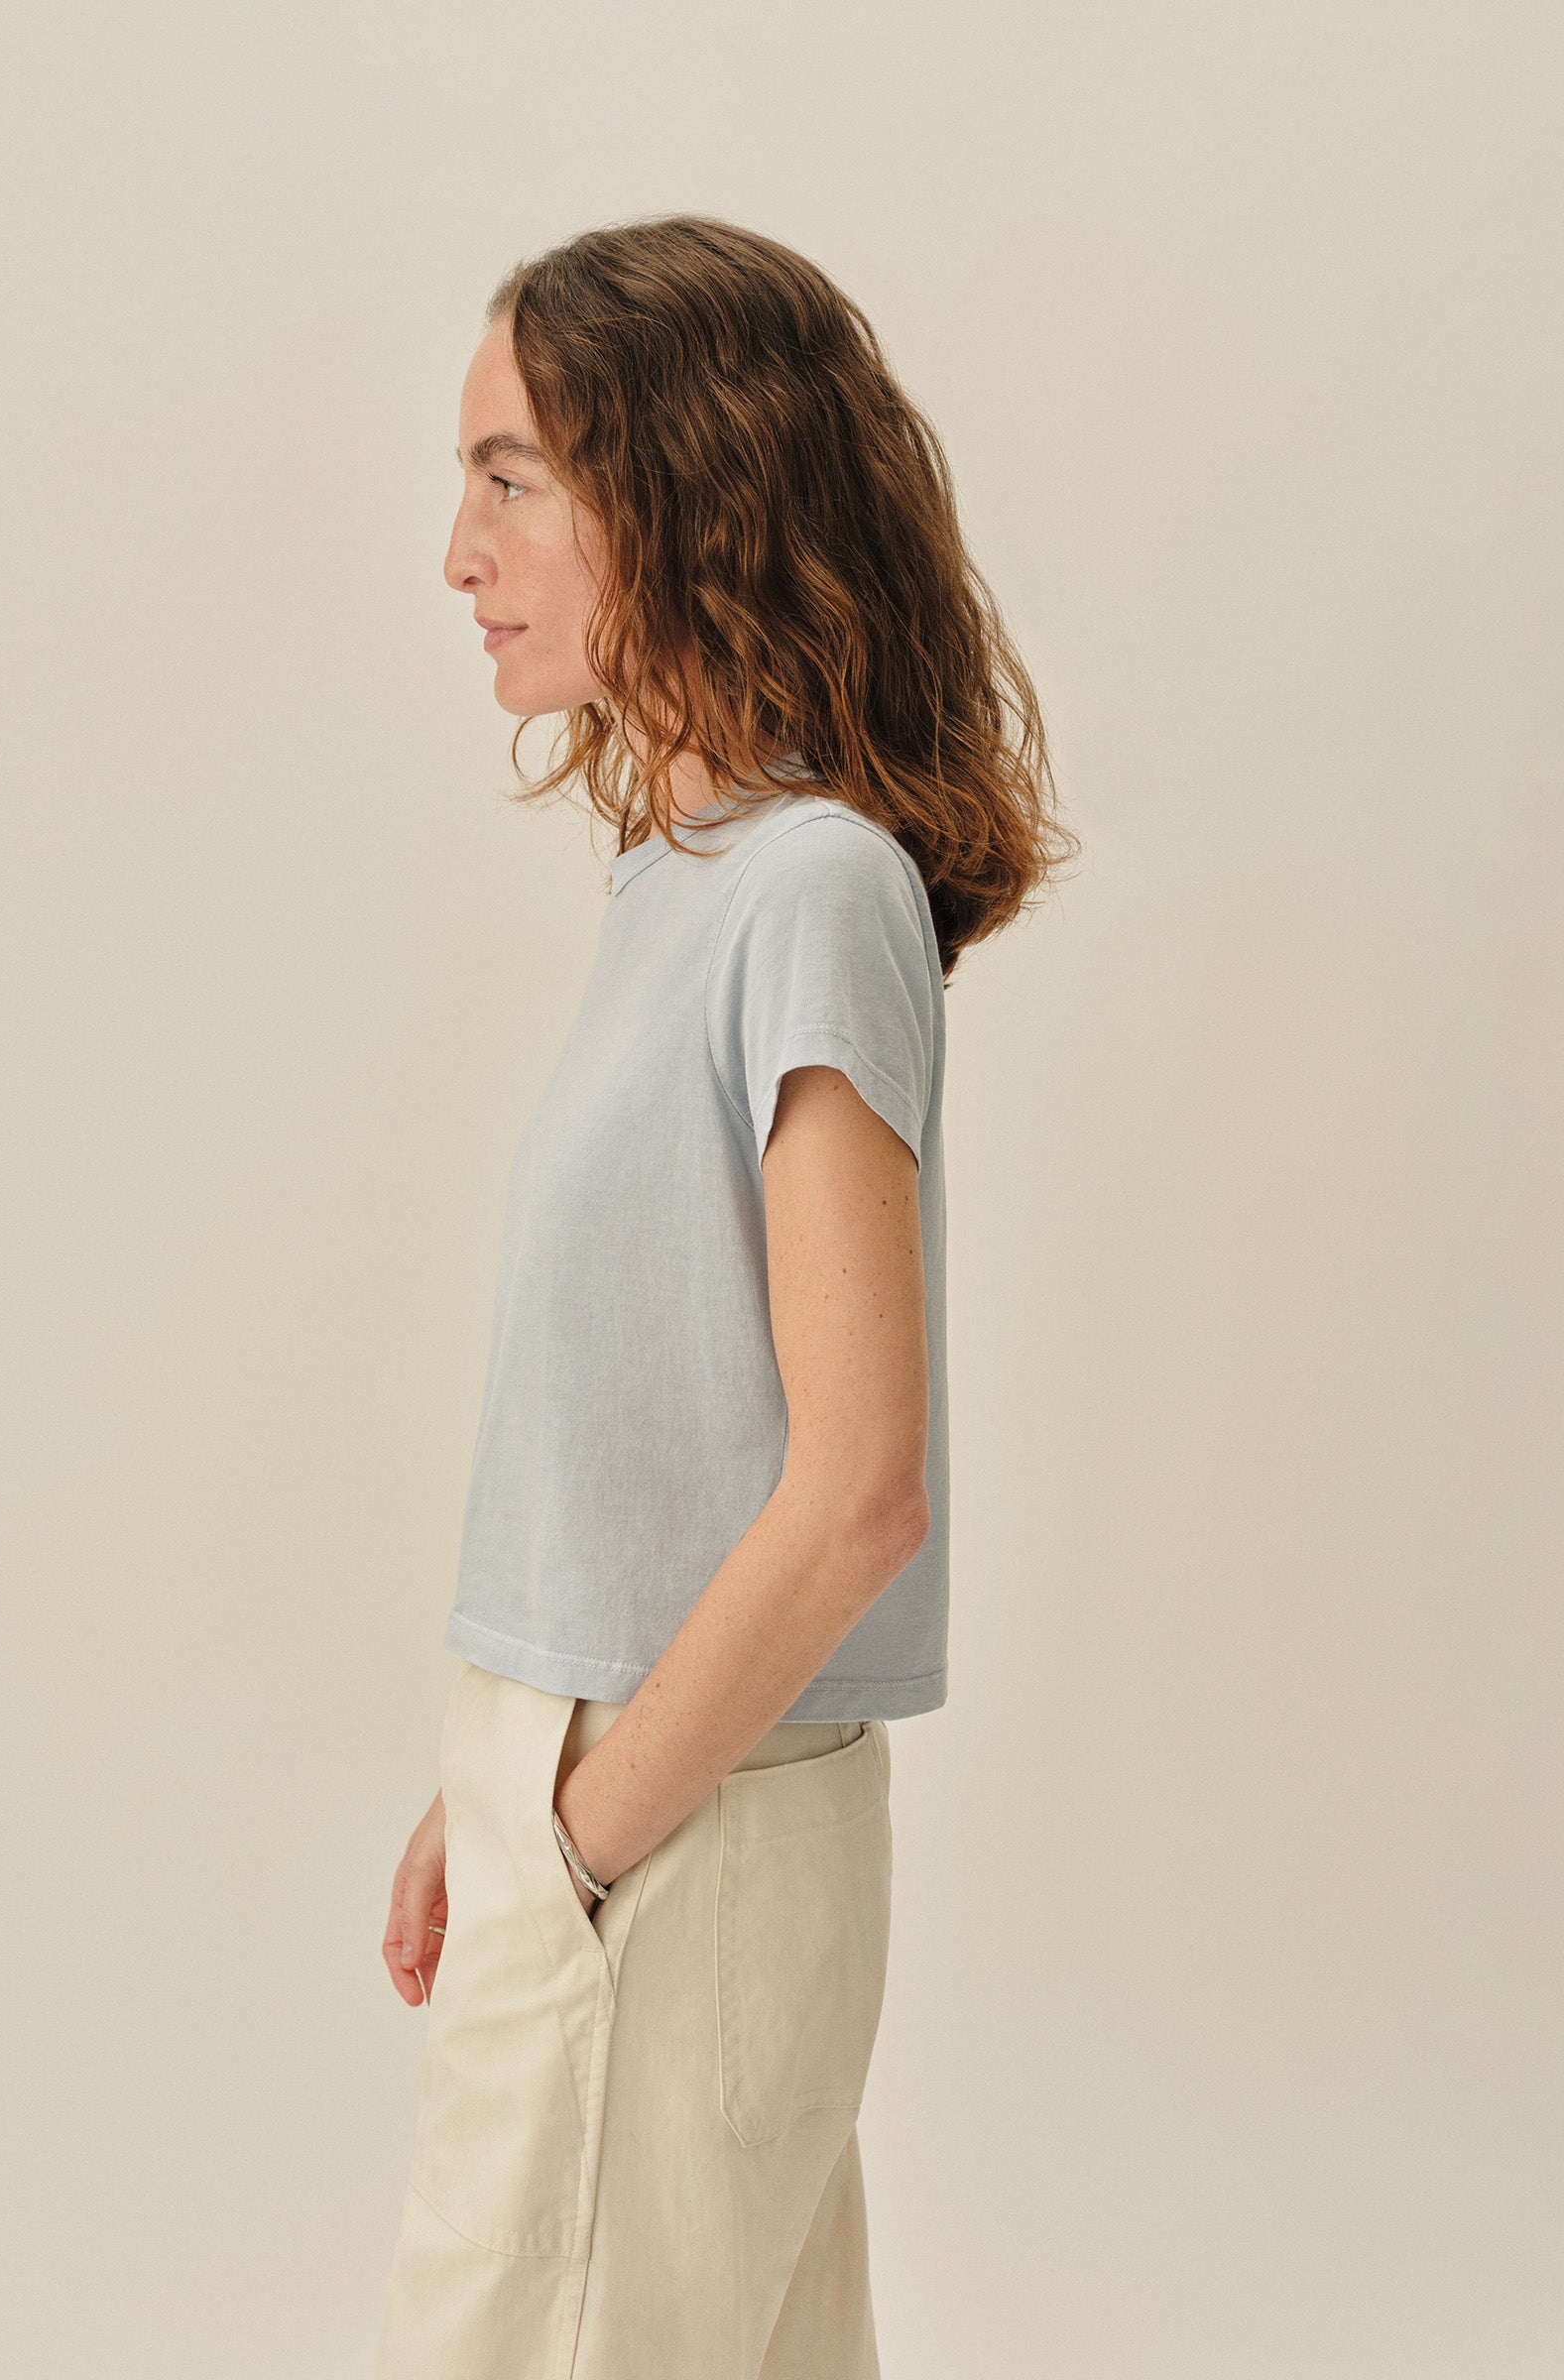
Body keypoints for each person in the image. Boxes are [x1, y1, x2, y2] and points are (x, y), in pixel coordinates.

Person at [375, 215, 1074, 2380]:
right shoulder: (685, 880)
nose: (460, 550)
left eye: (510, 476)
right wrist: (502, 1771)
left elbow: (859, 1482)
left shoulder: (813, 886)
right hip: (635, 1805)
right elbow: (657, 1419)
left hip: (673, 1844)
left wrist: (582, 1831)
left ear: (684, 489)